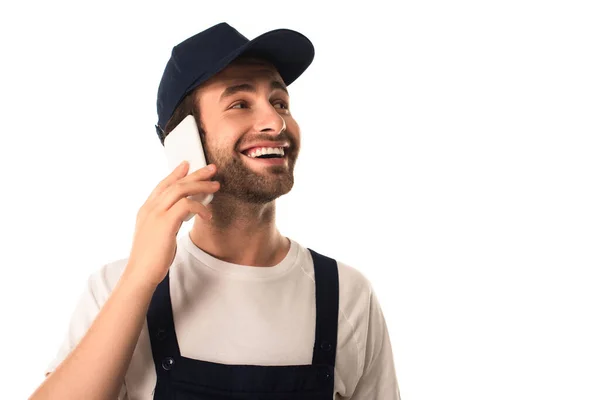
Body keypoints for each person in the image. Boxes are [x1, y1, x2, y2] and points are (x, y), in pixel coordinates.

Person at [30, 22, 401, 400]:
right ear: (184, 140)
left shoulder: (348, 296)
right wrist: (140, 279)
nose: (275, 122)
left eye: (280, 102)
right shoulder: (116, 289)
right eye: (240, 104)